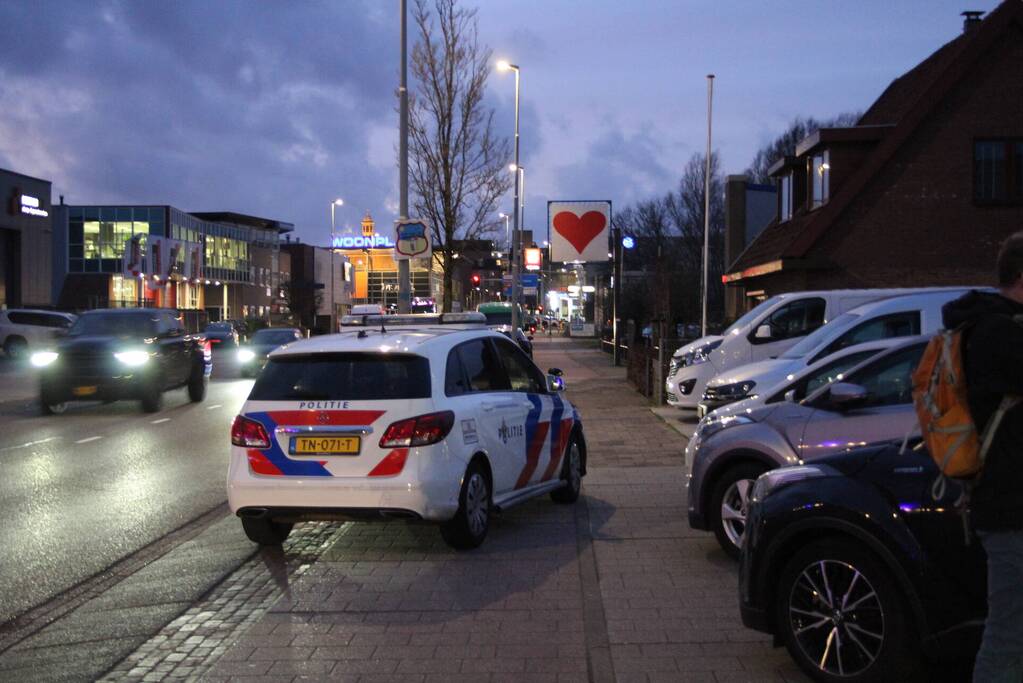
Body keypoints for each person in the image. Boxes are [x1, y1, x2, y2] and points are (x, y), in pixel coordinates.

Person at [943, 232, 1023, 683]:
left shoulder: (992, 326)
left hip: (1005, 502)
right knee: (1008, 636)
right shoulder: (998, 333)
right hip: (1009, 507)